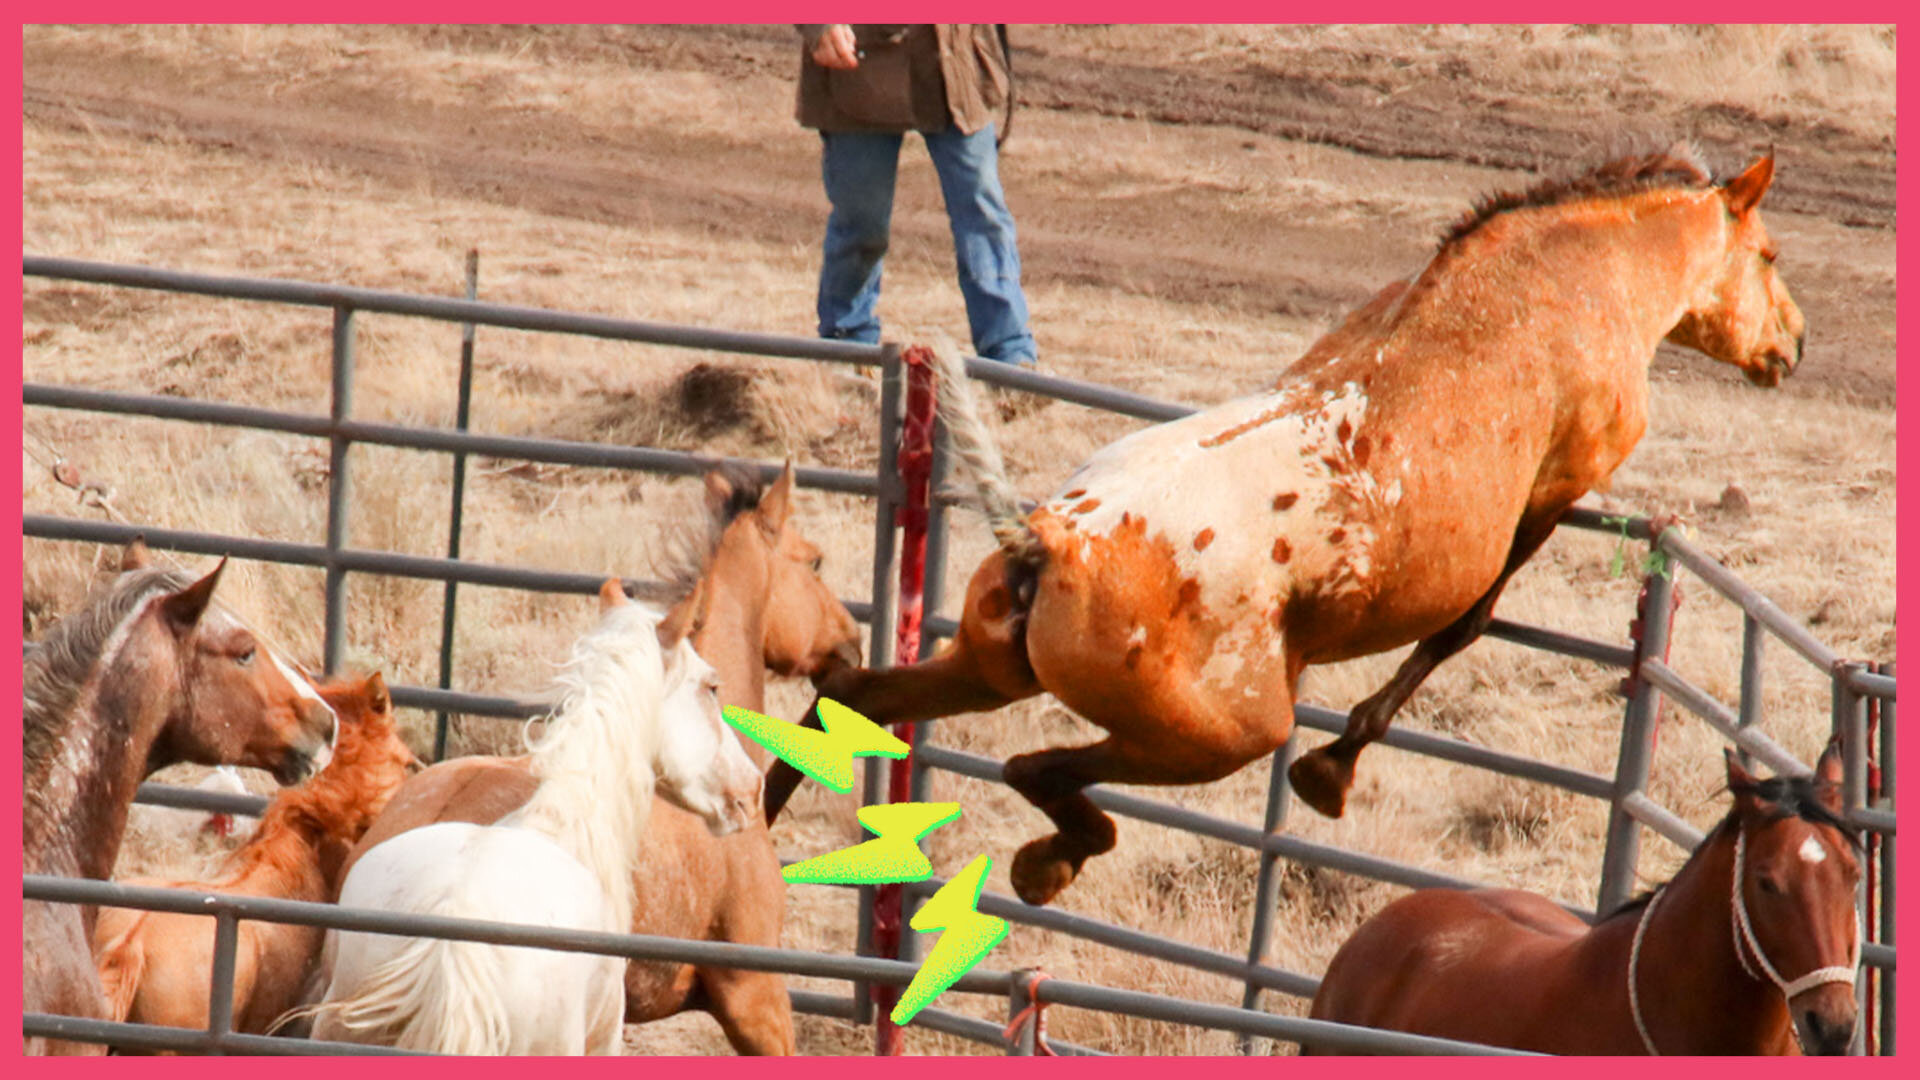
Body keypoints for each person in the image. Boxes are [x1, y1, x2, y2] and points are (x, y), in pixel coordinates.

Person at [796, 24, 1038, 369]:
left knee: (982, 214)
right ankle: (847, 357)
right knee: (861, 224)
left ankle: (1010, 362)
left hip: (953, 62)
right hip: (856, 67)